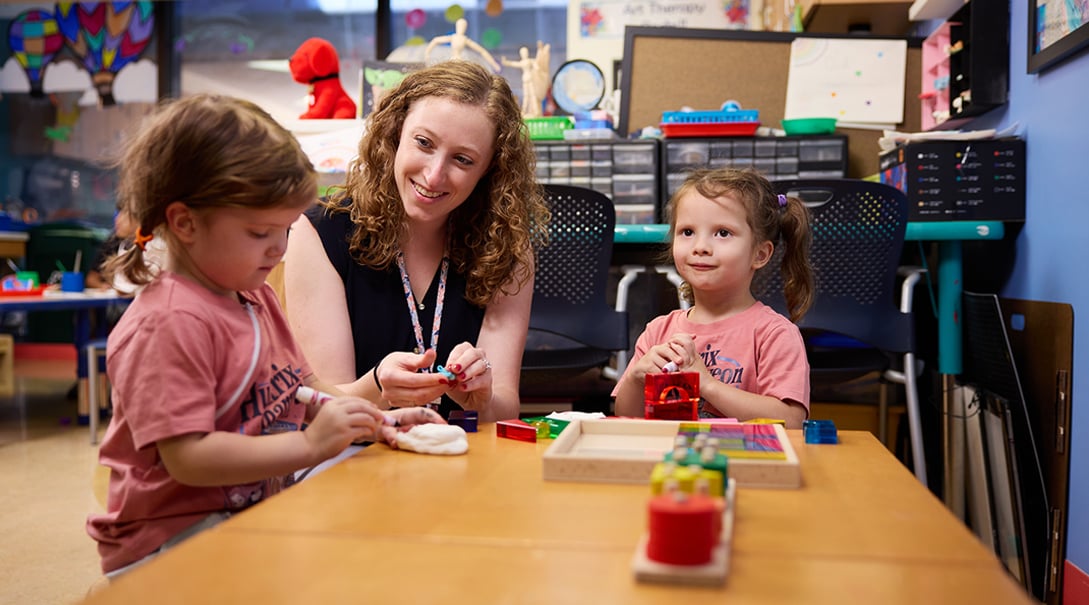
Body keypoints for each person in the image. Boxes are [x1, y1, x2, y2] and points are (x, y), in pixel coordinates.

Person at [86, 94, 443, 577]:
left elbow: (305, 385)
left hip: (242, 514)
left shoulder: (253, 296)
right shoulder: (167, 322)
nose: (279, 248)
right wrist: (312, 447)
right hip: (166, 544)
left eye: (287, 228)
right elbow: (190, 458)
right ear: (185, 222)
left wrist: (374, 419)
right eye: (260, 233)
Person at [283, 60, 550, 423]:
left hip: (459, 456)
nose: (434, 174)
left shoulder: (507, 249)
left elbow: (505, 408)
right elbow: (317, 408)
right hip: (356, 456)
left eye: (463, 159)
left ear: (490, 171)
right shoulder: (319, 232)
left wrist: (483, 398)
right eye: (423, 143)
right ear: (395, 133)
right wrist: (377, 388)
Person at [612, 168, 815, 428]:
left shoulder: (774, 334)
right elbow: (628, 417)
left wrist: (707, 384)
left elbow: (791, 422)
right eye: (687, 232)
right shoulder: (658, 331)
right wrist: (636, 380)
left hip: (748, 464)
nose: (700, 247)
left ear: (760, 254)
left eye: (722, 233)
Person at [424, 18, 501, 72]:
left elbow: (482, 51)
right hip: (453, 60)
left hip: (460, 61)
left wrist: (494, 64)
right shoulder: (453, 37)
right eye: (459, 25)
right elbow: (435, 40)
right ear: (456, 26)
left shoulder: (465, 40)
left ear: (465, 28)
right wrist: (427, 53)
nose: (461, 27)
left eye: (463, 26)